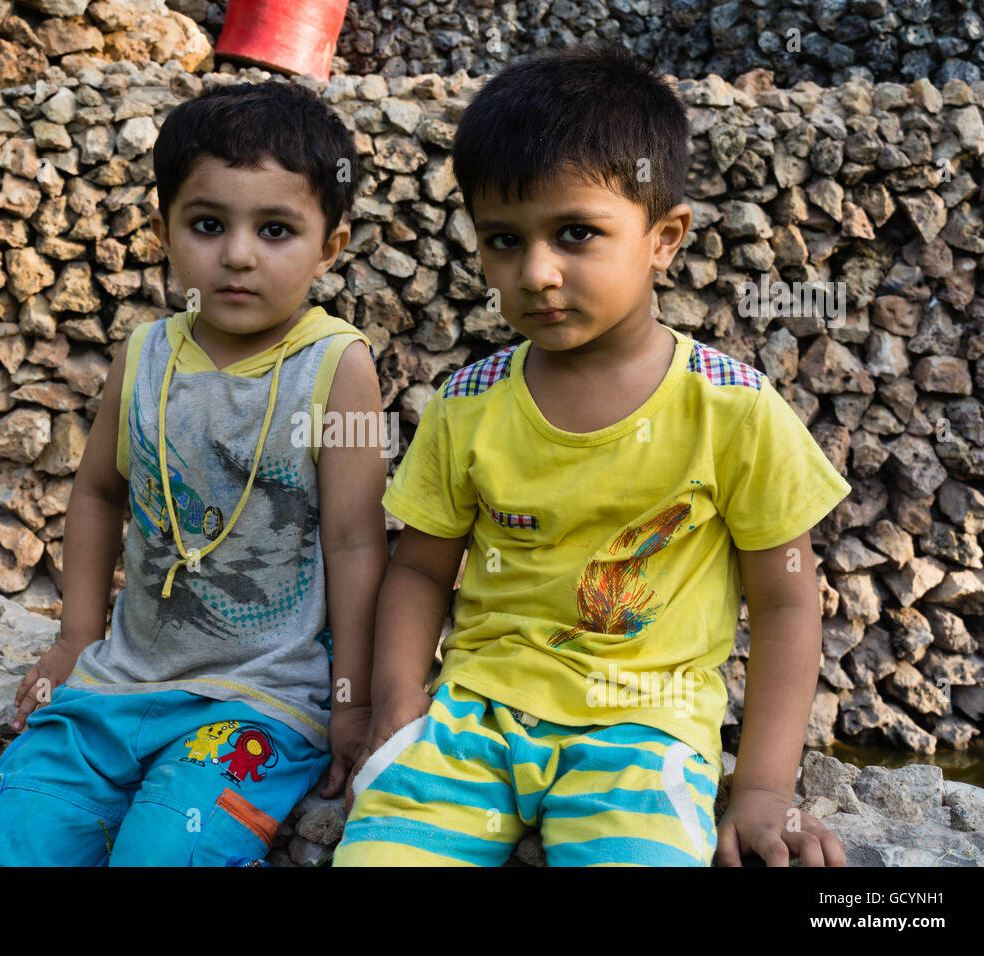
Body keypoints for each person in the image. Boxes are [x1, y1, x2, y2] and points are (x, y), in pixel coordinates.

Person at [334, 43, 853, 867]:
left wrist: (760, 793)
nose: (537, 272)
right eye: (504, 239)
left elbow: (788, 604)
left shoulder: (733, 407)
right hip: (474, 714)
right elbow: (421, 571)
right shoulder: (468, 404)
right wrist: (397, 710)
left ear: (665, 237)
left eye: (577, 233)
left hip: (644, 731)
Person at [0, 80, 388, 866]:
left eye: (275, 229)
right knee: (16, 840)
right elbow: (97, 494)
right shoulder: (145, 356)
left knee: (166, 850)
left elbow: (359, 544)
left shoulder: (337, 369)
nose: (236, 254)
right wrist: (75, 639)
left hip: (262, 700)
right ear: (164, 231)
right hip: (120, 683)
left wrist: (353, 699)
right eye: (206, 224)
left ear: (331, 246)